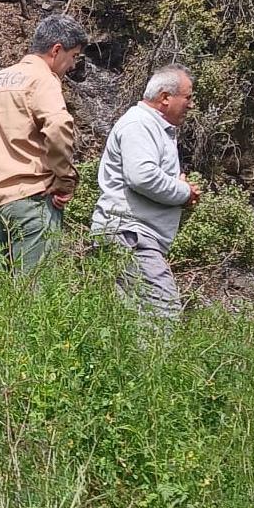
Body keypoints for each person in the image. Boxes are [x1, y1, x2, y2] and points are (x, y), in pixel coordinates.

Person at [0, 14, 88, 270]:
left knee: (0, 300)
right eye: (74, 56)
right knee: (36, 297)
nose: (72, 65)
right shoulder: (43, 80)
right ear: (57, 50)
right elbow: (57, 125)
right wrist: (64, 181)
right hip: (31, 201)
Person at [90, 66, 200, 320]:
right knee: (163, 314)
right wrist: (183, 191)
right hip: (132, 236)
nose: (191, 105)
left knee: (128, 321)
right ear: (165, 98)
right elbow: (143, 176)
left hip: (128, 235)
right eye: (188, 97)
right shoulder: (140, 124)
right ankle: (157, 361)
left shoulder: (148, 125)